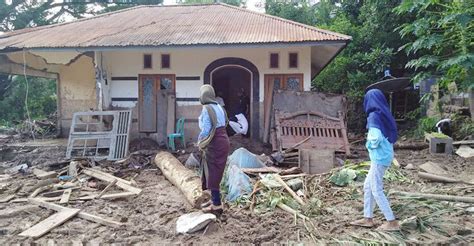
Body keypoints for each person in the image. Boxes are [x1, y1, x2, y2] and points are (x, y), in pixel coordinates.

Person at [351, 89, 400, 231]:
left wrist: (368, 144)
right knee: (368, 186)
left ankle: (392, 221)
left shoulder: (373, 116)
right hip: (385, 154)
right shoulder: (383, 113)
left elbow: (375, 138)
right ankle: (368, 218)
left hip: (379, 157)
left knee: (376, 188)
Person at [197, 85, 230, 216]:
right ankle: (214, 201)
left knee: (213, 174)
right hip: (223, 140)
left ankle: (216, 206)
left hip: (215, 142)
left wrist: (200, 141)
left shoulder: (206, 108)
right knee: (216, 173)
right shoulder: (219, 107)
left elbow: (206, 129)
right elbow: (225, 123)